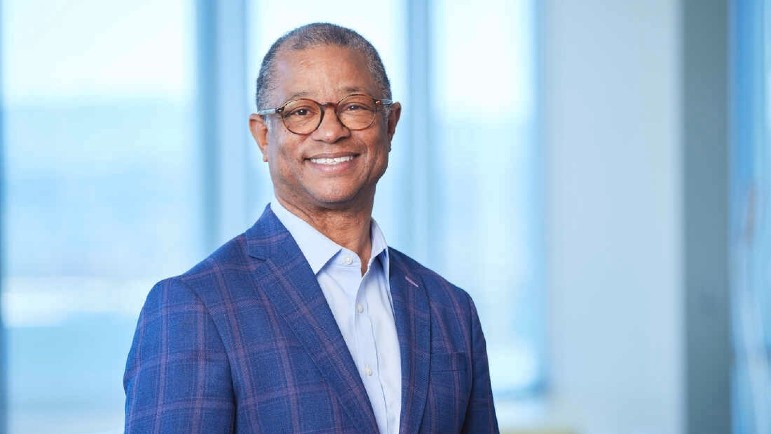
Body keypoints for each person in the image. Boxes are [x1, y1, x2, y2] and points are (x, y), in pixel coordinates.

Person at [124, 22, 499, 433]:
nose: (332, 130)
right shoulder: (194, 306)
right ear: (263, 135)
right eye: (301, 111)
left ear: (390, 124)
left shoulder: (449, 310)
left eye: (354, 106)